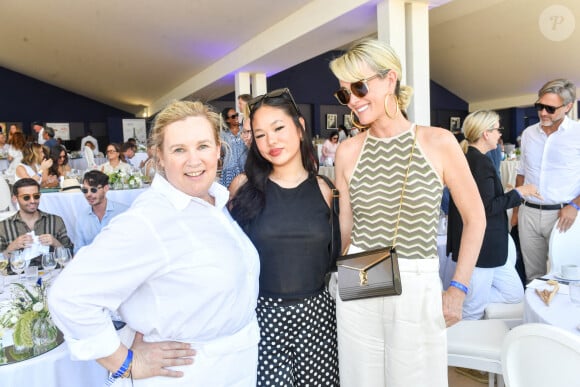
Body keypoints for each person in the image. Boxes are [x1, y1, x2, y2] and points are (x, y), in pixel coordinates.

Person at [48, 100, 260, 386]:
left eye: (203, 146)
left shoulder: (213, 199)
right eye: (179, 150)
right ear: (159, 157)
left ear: (219, 149)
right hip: (189, 376)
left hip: (232, 369)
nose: (194, 160)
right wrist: (124, 363)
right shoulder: (151, 219)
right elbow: (69, 296)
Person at [329, 38, 485, 386]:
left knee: (416, 377)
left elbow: (476, 218)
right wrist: (338, 275)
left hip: (416, 279)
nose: (353, 100)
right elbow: (346, 225)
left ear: (390, 78)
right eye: (344, 94)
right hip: (360, 272)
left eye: (359, 86)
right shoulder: (348, 151)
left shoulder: (438, 142)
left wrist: (457, 288)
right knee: (361, 377)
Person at [229, 88, 340, 386]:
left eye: (278, 128)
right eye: (260, 134)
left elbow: (339, 255)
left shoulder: (325, 190)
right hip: (262, 317)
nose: (271, 141)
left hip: (318, 317)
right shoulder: (243, 187)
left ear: (300, 127)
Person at [446, 110, 539, 320]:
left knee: (514, 294)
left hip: (491, 248)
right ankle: (464, 342)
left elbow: (481, 202)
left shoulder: (473, 158)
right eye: (498, 129)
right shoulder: (479, 162)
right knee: (472, 310)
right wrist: (519, 193)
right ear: (485, 133)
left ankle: (468, 300)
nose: (500, 134)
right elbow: (486, 209)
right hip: (482, 246)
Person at [513, 79, 580, 282]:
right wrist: (516, 212)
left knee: (565, 276)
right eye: (539, 106)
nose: (543, 113)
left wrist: (574, 206)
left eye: (550, 109)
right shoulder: (528, 134)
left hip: (563, 215)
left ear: (568, 107)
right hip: (528, 213)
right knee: (533, 277)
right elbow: (522, 173)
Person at [0, 178, 73, 271]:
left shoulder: (55, 220)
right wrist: (11, 248)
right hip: (17, 278)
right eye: (26, 197)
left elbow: (70, 255)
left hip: (52, 274)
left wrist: (55, 243)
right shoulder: (3, 226)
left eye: (36, 196)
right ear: (15, 198)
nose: (32, 201)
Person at [74, 170, 128, 253]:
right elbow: (78, 251)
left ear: (106, 188)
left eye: (93, 190)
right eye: (85, 190)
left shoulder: (123, 213)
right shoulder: (82, 218)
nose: (88, 194)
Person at [219, 107, 246, 188]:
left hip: (244, 168)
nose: (237, 117)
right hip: (229, 169)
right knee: (230, 195)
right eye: (233, 116)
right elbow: (221, 153)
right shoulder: (223, 135)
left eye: (237, 115)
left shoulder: (244, 130)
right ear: (228, 120)